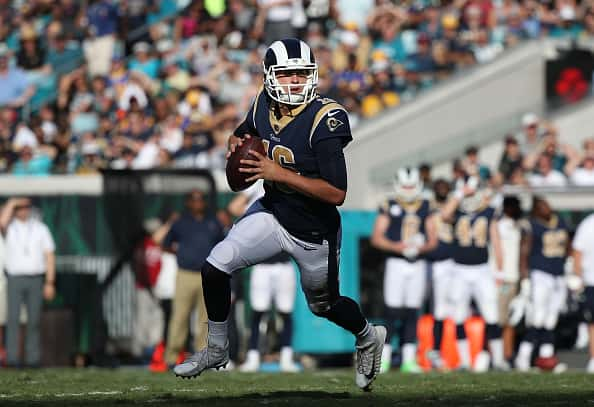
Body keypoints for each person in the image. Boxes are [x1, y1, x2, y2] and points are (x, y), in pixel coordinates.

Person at [173, 38, 385, 391]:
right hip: (273, 213)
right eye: (287, 74)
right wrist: (233, 141)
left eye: (302, 73)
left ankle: (367, 336)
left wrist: (278, 173)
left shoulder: (325, 118)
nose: (296, 81)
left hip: (314, 231)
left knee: (324, 305)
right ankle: (216, 347)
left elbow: (337, 193)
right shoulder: (262, 104)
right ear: (270, 76)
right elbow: (243, 133)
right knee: (215, 266)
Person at [228, 181, 300, 373]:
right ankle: (253, 357)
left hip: (284, 263)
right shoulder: (258, 189)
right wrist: (252, 194)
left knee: (285, 312)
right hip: (262, 264)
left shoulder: (289, 187)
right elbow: (233, 207)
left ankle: (286, 357)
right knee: (258, 312)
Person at [371, 168, 437, 374]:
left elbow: (434, 239)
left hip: (417, 263)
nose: (408, 191)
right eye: (405, 186)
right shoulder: (389, 205)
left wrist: (420, 247)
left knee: (411, 311)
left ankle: (409, 359)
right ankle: (384, 359)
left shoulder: (427, 205)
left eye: (411, 186)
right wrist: (397, 247)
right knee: (392, 311)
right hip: (396, 262)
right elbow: (376, 237)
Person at [440, 177, 508, 371]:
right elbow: (444, 215)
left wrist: (500, 270)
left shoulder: (488, 212)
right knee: (459, 315)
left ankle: (499, 360)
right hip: (459, 270)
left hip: (482, 269)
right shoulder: (457, 210)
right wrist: (461, 193)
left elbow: (496, 241)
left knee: (492, 315)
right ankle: (464, 361)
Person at [162, 190, 225, 368]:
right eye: (194, 200)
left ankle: (204, 357)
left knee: (206, 318)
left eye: (201, 200)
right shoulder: (180, 222)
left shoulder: (213, 222)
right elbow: (166, 244)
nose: (198, 203)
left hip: (207, 275)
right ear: (188, 203)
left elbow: (223, 245)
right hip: (185, 275)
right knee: (179, 316)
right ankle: (171, 357)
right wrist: (182, 254)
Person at [514, 197, 570, 372]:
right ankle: (523, 356)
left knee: (551, 319)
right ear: (536, 210)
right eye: (542, 206)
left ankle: (546, 357)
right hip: (540, 274)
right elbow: (524, 251)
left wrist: (570, 266)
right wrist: (524, 278)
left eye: (546, 204)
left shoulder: (560, 221)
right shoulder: (532, 225)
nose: (546, 208)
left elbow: (567, 244)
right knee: (538, 317)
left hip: (558, 274)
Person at [0, 198, 56, 367]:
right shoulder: (10, 227)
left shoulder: (40, 228)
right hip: (15, 278)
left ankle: (33, 359)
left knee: (34, 320)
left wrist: (50, 281)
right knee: (13, 319)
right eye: (19, 208)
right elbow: (1, 221)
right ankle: (12, 358)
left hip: (35, 278)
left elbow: (49, 255)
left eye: (26, 207)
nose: (23, 211)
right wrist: (12, 202)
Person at [425, 178, 454, 369]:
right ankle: (414, 349)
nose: (442, 190)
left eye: (446, 187)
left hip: (450, 262)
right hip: (430, 261)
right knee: (423, 305)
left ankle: (437, 350)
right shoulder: (427, 205)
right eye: (439, 187)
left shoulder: (454, 206)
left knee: (444, 308)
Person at [495, 196, 522, 362]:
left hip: (514, 278)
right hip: (503, 278)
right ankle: (500, 356)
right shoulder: (499, 226)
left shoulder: (518, 226)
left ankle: (508, 354)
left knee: (511, 319)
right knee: (500, 319)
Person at [572, 212, 594, 372]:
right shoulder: (588, 224)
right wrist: (578, 277)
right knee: (592, 324)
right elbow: (577, 252)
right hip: (591, 281)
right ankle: (593, 359)